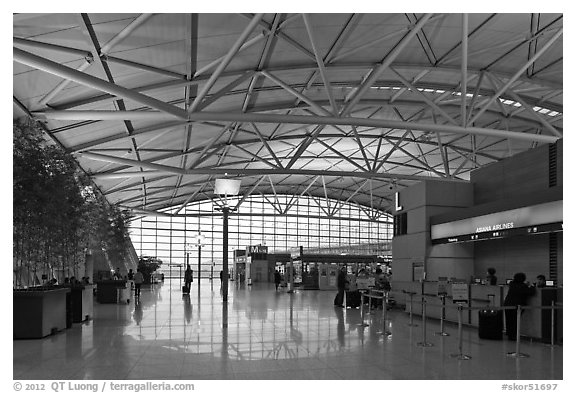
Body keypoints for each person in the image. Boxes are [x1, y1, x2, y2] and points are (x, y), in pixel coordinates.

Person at [503, 272, 536, 340]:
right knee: (515, 321)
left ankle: (509, 334)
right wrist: (532, 286)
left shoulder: (511, 284)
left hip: (507, 304)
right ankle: (513, 335)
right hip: (517, 306)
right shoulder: (523, 286)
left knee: (509, 320)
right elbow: (531, 292)